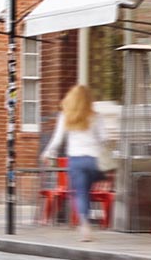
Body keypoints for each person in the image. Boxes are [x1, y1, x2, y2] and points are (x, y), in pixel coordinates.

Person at [42, 85, 106, 241]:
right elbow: (104, 139)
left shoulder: (66, 116)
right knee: (88, 189)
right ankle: (101, 183)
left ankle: (85, 226)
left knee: (80, 193)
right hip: (94, 160)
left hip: (76, 160)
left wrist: (48, 153)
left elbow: (57, 139)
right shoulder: (95, 116)